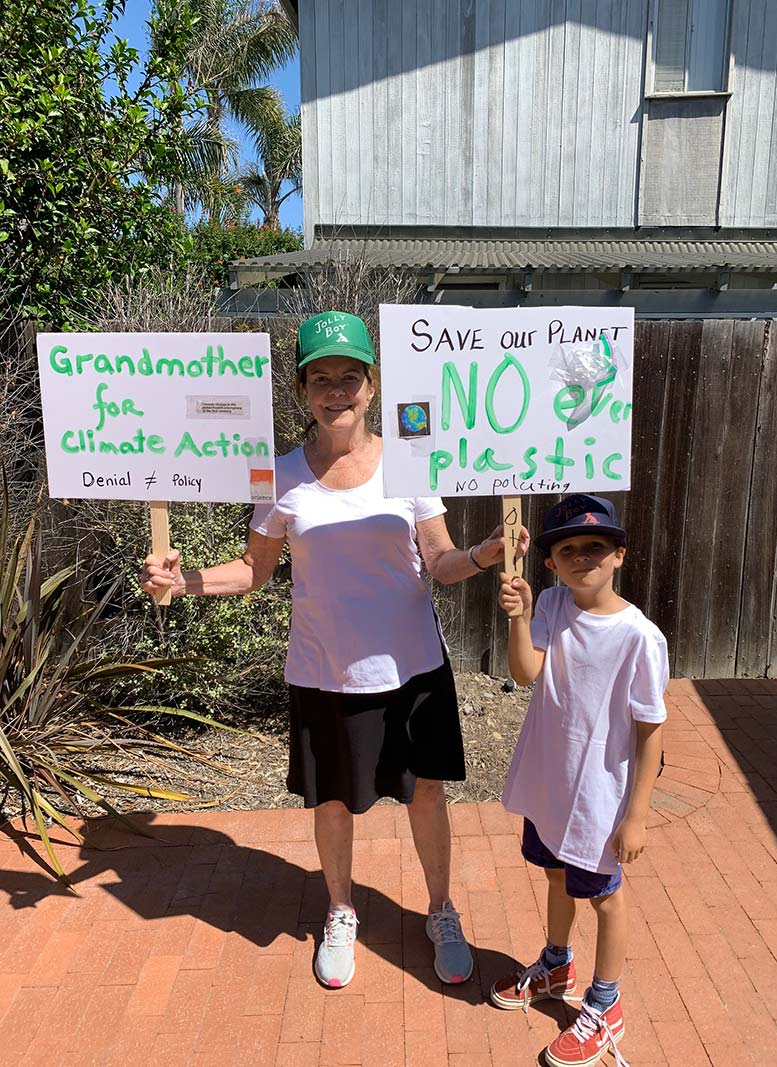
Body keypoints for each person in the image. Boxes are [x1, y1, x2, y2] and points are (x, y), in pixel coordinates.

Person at [142, 310, 529, 990]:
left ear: (372, 386)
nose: (336, 389)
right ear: (301, 390)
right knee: (330, 803)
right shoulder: (277, 472)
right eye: (321, 377)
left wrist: (482, 553)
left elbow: (437, 560)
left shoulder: (411, 457)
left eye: (350, 375)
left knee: (428, 794)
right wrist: (185, 580)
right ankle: (342, 907)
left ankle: (441, 908)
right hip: (325, 671)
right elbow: (254, 570)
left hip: (412, 668)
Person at [491, 494, 667, 1067]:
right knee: (555, 874)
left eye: (596, 546)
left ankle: (606, 1003)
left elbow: (649, 730)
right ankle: (557, 962)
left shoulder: (640, 636)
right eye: (568, 549)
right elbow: (526, 672)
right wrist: (519, 617)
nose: (582, 556)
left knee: (604, 898)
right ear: (551, 563)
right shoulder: (550, 603)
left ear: (619, 554)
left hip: (599, 798)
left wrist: (636, 814)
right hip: (551, 782)